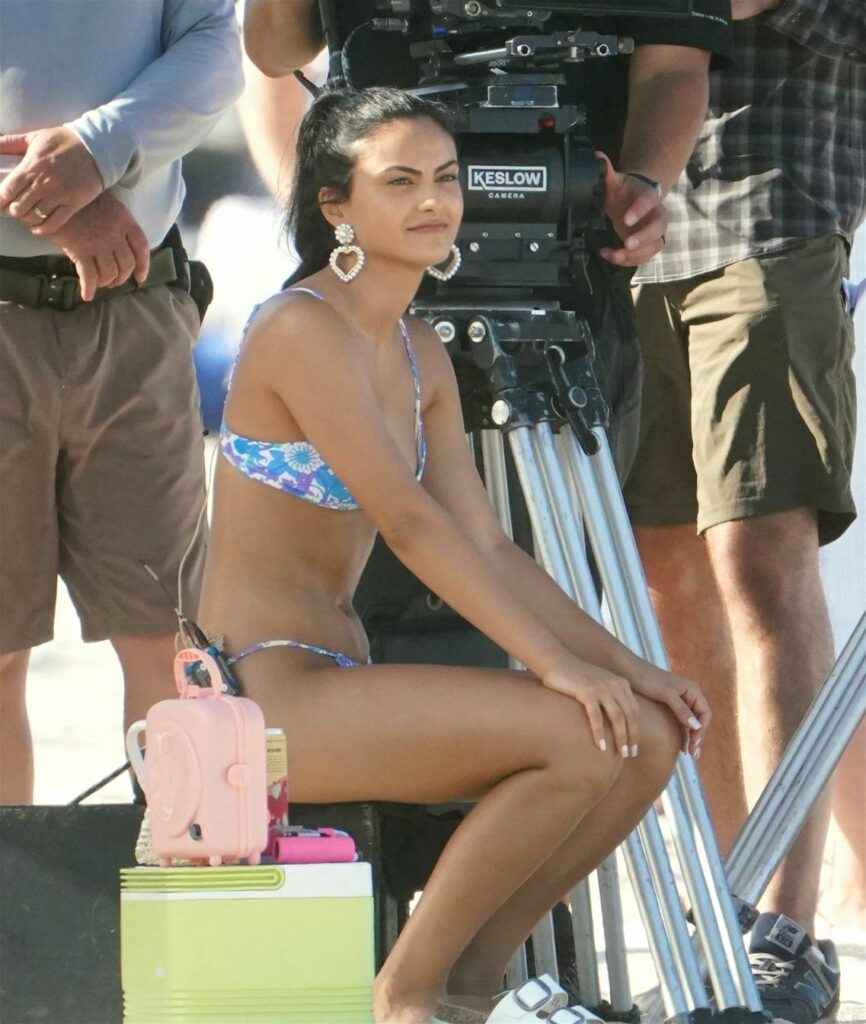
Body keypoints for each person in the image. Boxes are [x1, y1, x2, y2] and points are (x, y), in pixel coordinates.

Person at [198, 85, 709, 1024]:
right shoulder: (299, 326)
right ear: (336, 205)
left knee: (649, 736)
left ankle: (474, 991)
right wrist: (556, 668)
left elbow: (484, 543)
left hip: (336, 679)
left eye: (446, 178)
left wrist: (633, 668)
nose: (434, 200)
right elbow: (409, 523)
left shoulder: (417, 348)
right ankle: (406, 995)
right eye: (399, 182)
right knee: (578, 734)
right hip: (255, 697)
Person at [624, 0, 866, 1018]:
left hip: (772, 210)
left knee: (760, 561)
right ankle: (725, 909)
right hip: (616, 226)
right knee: (662, 574)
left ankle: (785, 926)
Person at [0, 0, 243, 804]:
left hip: (135, 314)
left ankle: (190, 875)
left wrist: (98, 150)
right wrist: (55, 189)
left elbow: (215, 48)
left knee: (174, 648)